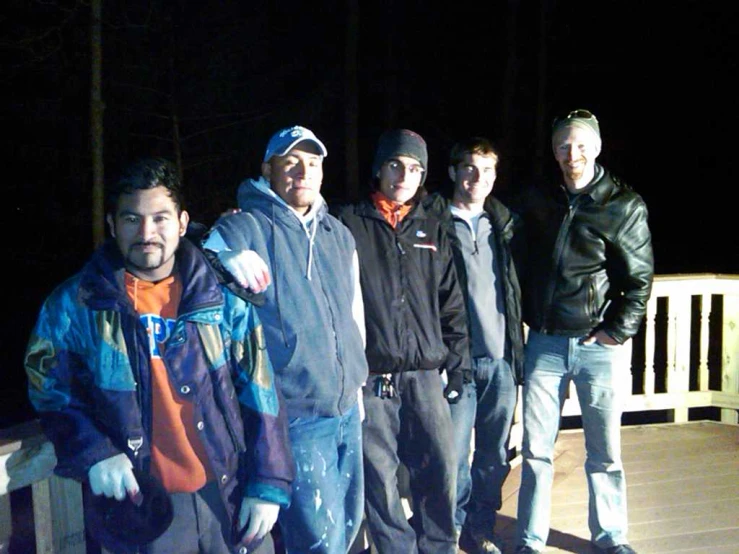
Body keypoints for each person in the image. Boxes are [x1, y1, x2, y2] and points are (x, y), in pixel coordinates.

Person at [24, 158, 294, 554]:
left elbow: (261, 391)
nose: (147, 232)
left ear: (182, 223)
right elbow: (47, 388)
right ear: (113, 224)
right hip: (144, 504)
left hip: (228, 492)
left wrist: (270, 482)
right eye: (132, 219)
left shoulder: (221, 299)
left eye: (160, 218)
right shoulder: (78, 304)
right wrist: (95, 451)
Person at [201, 125, 369, 554]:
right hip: (295, 415)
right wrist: (225, 257)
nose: (302, 171)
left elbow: (354, 313)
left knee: (348, 527)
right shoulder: (249, 226)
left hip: (346, 407)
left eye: (312, 163)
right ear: (268, 169)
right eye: (290, 162)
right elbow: (194, 258)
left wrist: (360, 386)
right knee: (318, 540)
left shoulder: (338, 233)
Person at [513, 109, 654, 554]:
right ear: (554, 151)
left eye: (580, 144)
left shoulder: (622, 206)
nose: (571, 153)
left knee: (605, 452)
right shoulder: (538, 199)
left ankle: (610, 537)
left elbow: (639, 281)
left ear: (596, 147)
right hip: (545, 343)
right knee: (536, 451)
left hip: (597, 347)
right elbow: (511, 251)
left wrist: (615, 332)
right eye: (562, 145)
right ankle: (530, 540)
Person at [334, 129, 470, 554]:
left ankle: (439, 546)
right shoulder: (347, 222)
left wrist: (458, 361)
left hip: (427, 373)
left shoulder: (430, 225)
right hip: (374, 377)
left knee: (442, 469)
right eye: (395, 164)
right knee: (380, 478)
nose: (403, 174)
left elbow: (451, 300)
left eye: (414, 168)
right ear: (379, 168)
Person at [423, 137, 524, 554]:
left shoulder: (506, 225)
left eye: (487, 170)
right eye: (468, 168)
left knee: (493, 456)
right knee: (452, 456)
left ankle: (479, 526)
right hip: (457, 361)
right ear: (452, 172)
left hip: (502, 361)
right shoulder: (430, 221)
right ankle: (451, 524)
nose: (477, 178)